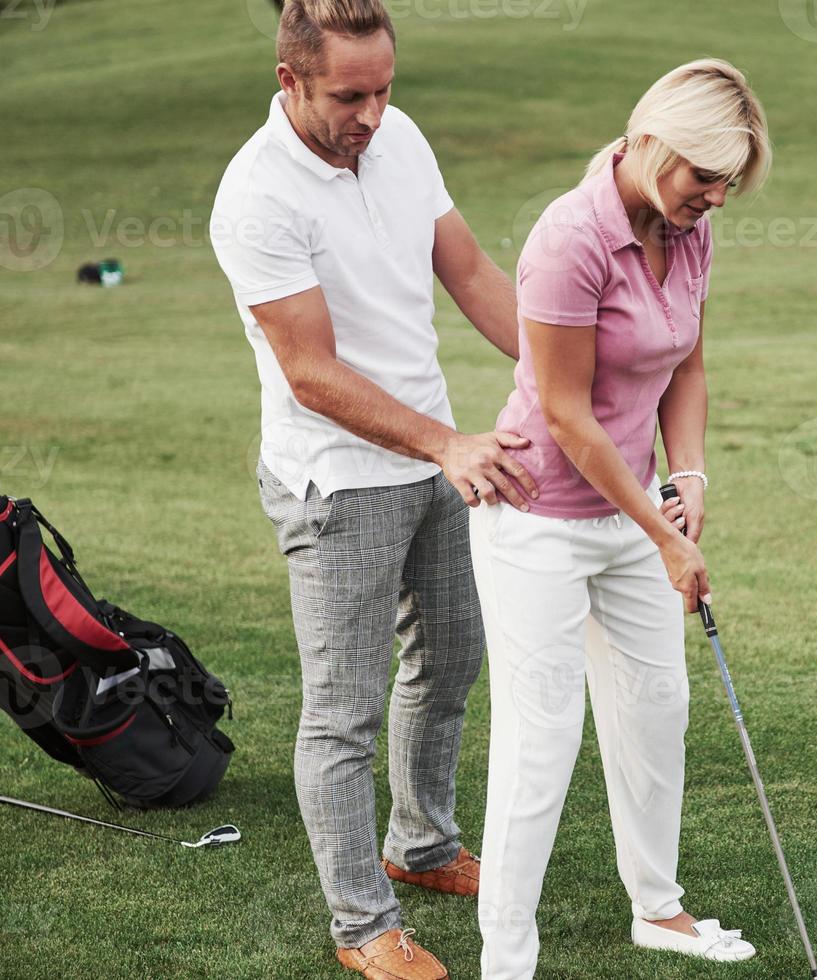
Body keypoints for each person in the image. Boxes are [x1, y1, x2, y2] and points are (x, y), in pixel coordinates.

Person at [209, 2, 539, 978]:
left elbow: (470, 269)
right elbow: (309, 370)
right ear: (289, 82)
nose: (372, 113)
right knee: (339, 713)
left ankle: (423, 842)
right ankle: (362, 923)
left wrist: (566, 374)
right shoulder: (256, 195)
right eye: (349, 95)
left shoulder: (400, 141)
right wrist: (446, 443)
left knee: (447, 662)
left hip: (432, 454)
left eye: (385, 88)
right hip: (337, 479)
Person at [468, 58, 772, 978]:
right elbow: (565, 413)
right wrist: (664, 532)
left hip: (633, 513)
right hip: (538, 520)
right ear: (651, 144)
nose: (715, 198)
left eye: (728, 183)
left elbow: (685, 365)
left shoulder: (689, 233)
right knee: (543, 733)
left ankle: (659, 909)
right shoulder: (568, 238)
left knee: (655, 709)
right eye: (704, 176)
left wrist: (689, 474)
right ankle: (506, 956)